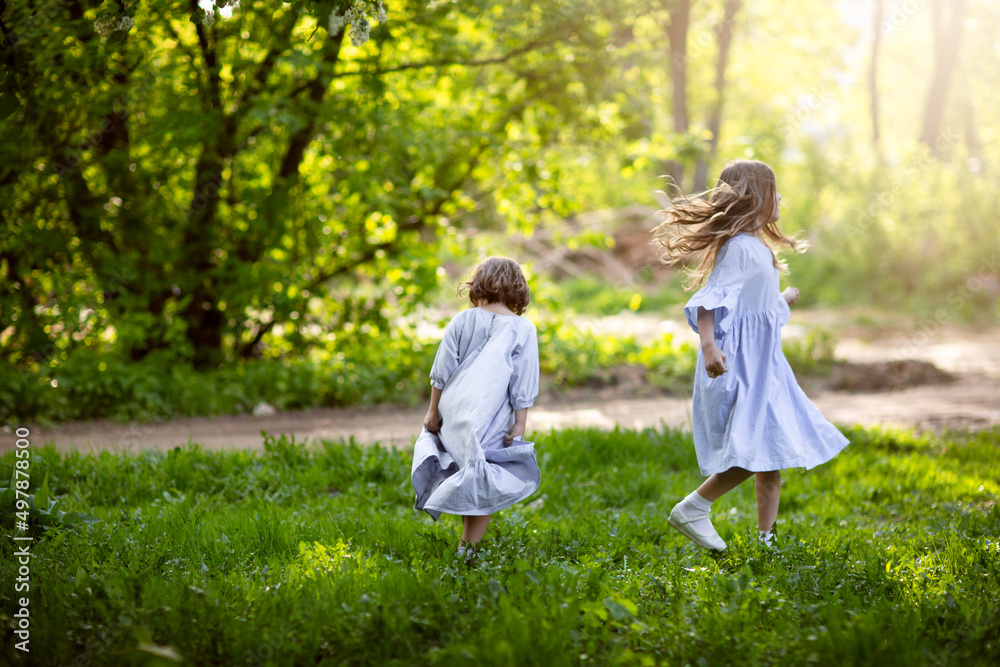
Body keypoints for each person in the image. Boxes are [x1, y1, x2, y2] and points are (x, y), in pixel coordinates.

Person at [651, 159, 849, 551]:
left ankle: (766, 543)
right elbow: (710, 302)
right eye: (775, 191)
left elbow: (754, 312)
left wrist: (782, 299)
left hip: (765, 367)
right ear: (757, 196)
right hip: (740, 366)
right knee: (755, 448)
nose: (782, 199)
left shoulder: (757, 248)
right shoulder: (740, 249)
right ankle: (695, 506)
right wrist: (709, 345)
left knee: (770, 451)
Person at [410, 256, 541, 555]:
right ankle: (467, 551)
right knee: (483, 480)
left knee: (472, 474)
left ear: (477, 284)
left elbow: (441, 370)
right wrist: (519, 424)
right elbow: (523, 382)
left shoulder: (462, 320)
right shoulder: (523, 329)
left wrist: (433, 410)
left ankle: (467, 545)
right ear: (518, 289)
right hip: (491, 415)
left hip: (454, 410)